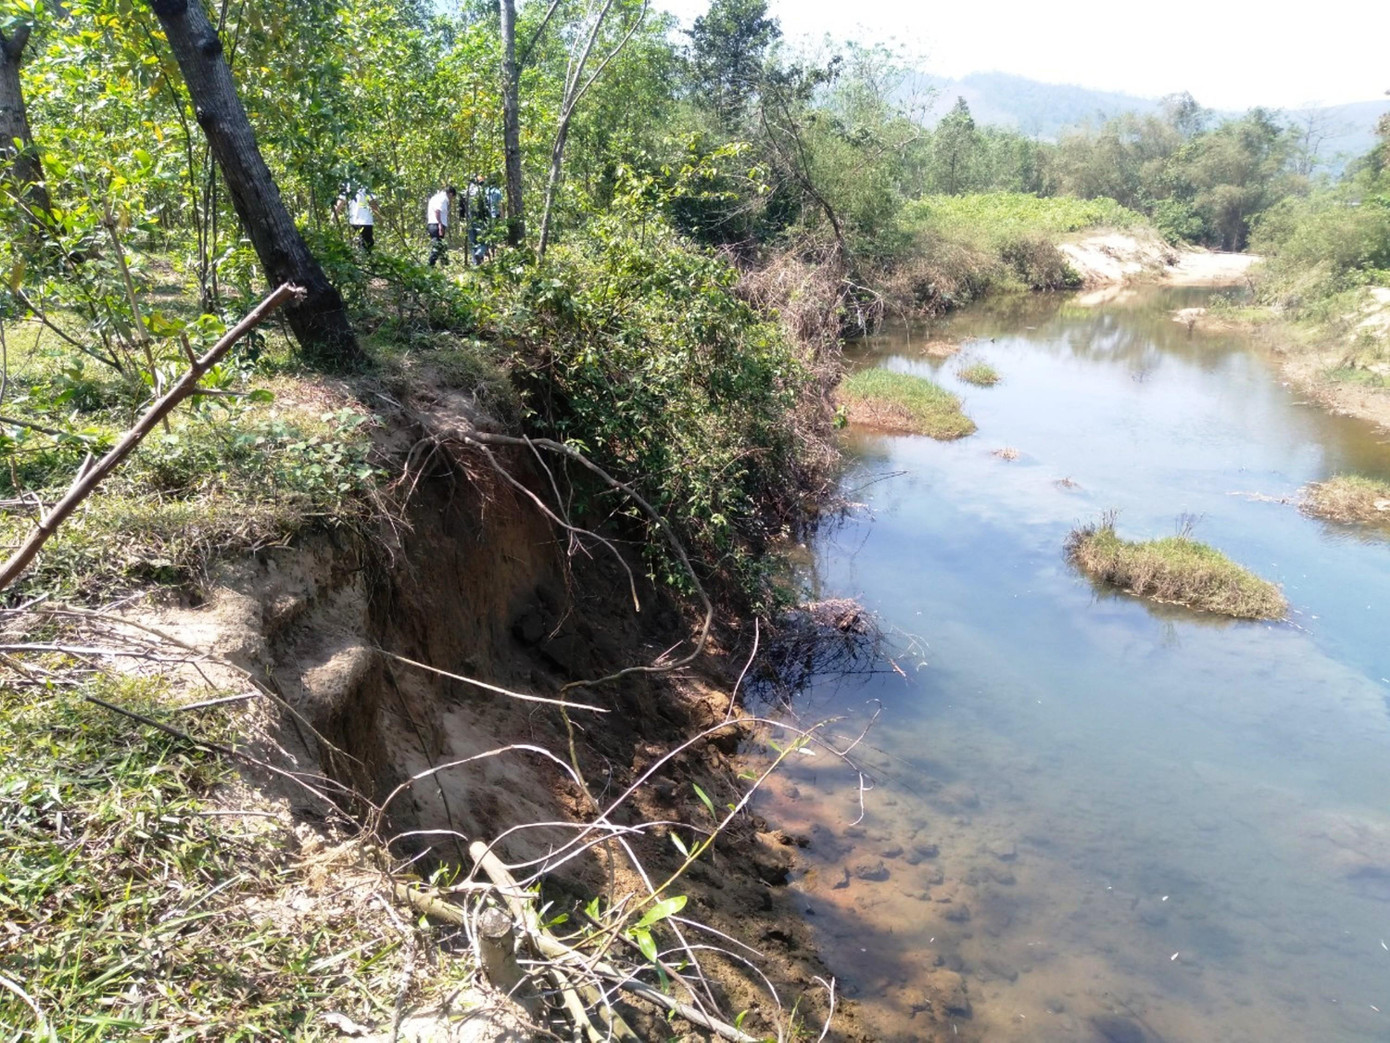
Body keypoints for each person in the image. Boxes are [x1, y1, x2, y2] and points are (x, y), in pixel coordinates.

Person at [334, 182, 378, 252]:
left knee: (359, 243)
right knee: (366, 245)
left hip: (354, 220)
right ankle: (365, 260)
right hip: (365, 221)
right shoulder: (366, 184)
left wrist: (334, 214)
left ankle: (361, 259)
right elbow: (373, 203)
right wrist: (379, 216)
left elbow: (341, 201)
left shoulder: (347, 183)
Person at [426, 184, 457, 266]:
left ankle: (445, 265)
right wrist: (440, 225)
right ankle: (429, 266)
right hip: (437, 225)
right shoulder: (443, 198)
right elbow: (437, 211)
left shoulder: (435, 197)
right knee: (437, 247)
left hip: (432, 224)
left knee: (441, 246)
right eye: (452, 197)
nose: (451, 199)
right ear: (450, 194)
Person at [465, 174, 490, 266]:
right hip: (479, 219)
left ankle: (475, 263)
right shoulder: (481, 191)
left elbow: (462, 207)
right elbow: (486, 206)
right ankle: (478, 254)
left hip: (469, 220)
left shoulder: (466, 192)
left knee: (473, 241)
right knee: (484, 241)